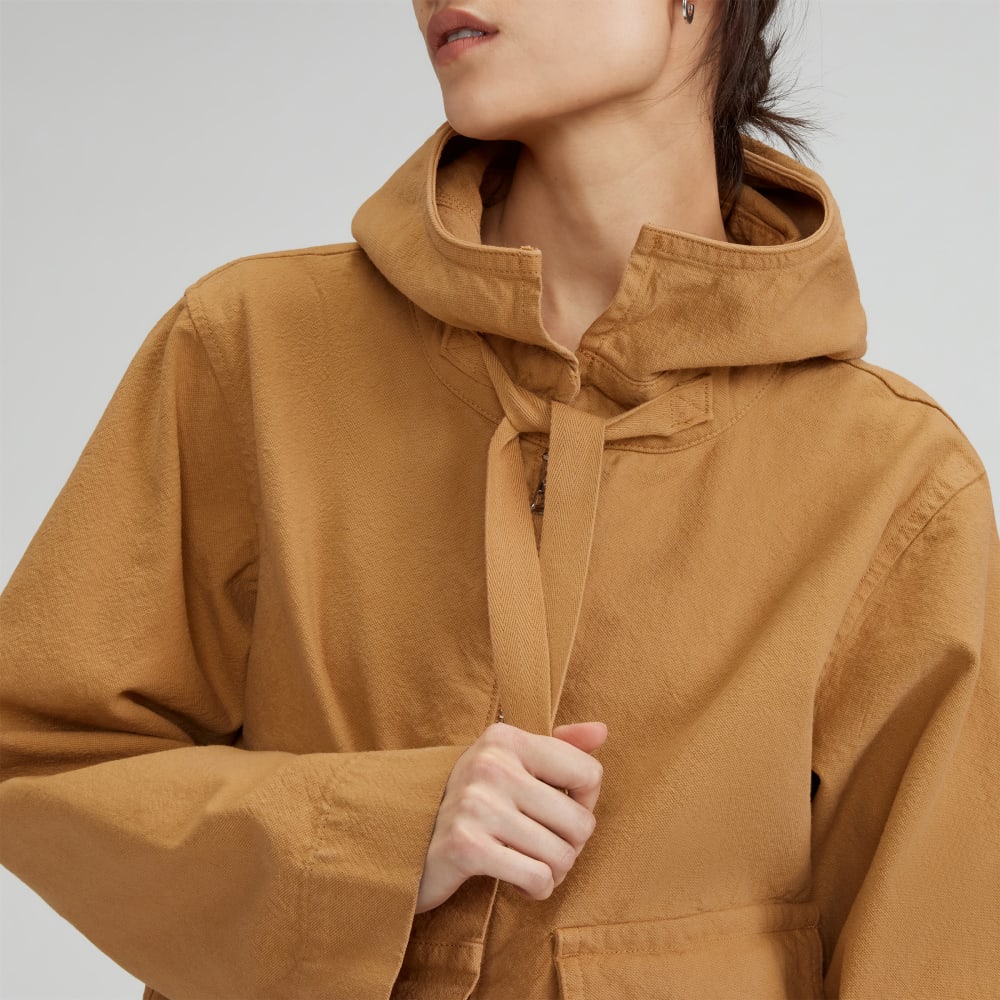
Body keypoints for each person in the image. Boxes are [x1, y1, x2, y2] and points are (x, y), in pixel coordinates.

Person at [1, 1, 997, 998]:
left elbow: (933, 958)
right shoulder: (254, 352)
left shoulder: (891, 479)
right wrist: (376, 837)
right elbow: (36, 756)